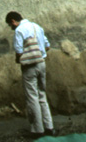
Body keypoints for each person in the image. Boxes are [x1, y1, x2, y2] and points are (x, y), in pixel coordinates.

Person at [5, 10, 55, 139]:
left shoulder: (19, 30)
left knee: (32, 97)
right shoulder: (36, 26)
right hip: (41, 63)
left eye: (10, 25)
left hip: (30, 66)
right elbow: (47, 46)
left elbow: (19, 51)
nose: (11, 28)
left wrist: (18, 59)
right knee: (42, 94)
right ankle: (49, 127)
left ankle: (38, 130)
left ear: (13, 21)